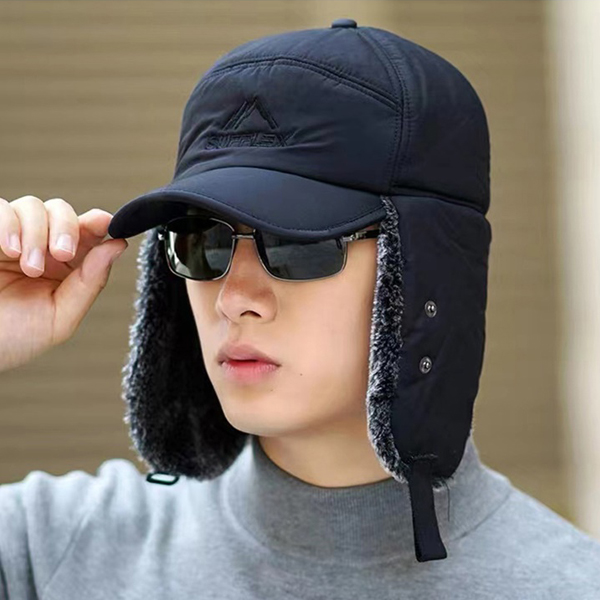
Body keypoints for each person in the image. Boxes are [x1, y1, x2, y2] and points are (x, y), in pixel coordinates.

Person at [2, 18, 600, 600]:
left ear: (425, 270)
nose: (235, 299)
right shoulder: (51, 550)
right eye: (204, 241)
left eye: (298, 244)